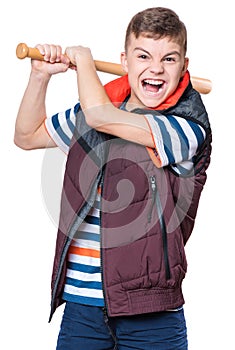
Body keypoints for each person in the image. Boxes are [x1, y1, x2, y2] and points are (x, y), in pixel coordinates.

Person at [14, 7, 212, 350]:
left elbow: (100, 116)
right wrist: (40, 76)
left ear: (183, 66)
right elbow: (27, 135)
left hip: (150, 312)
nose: (155, 68)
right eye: (143, 56)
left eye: (169, 59)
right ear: (125, 61)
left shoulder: (186, 128)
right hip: (81, 309)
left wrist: (83, 62)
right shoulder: (98, 109)